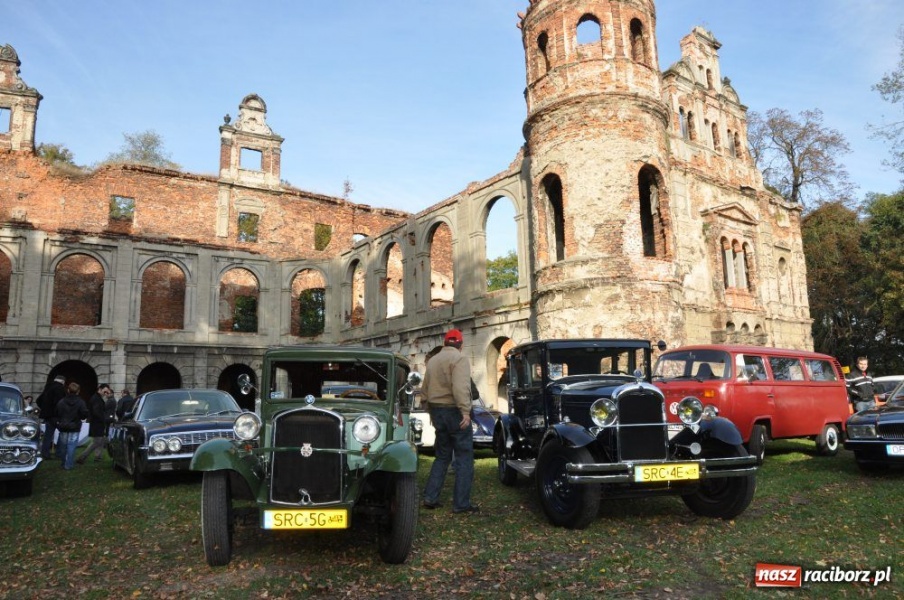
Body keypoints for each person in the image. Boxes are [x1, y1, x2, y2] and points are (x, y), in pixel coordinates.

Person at [421, 328, 479, 514]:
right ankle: (461, 504)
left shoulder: (433, 361)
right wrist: (466, 412)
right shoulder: (459, 359)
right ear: (460, 345)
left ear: (445, 343)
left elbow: (425, 390)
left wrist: (429, 411)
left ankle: (430, 497)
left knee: (442, 456)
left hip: (437, 411)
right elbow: (461, 387)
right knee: (464, 457)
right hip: (454, 411)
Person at [77, 384, 114, 464]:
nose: (106, 392)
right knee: (97, 442)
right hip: (97, 424)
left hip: (98, 423)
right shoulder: (96, 398)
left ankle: (98, 457)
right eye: (105, 390)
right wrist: (104, 419)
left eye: (107, 391)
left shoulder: (97, 398)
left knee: (100, 440)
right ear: (100, 389)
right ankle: (81, 458)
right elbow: (96, 412)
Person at [55, 382, 89, 470]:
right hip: (75, 426)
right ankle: (68, 464)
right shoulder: (81, 402)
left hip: (63, 426)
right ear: (78, 391)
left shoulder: (61, 401)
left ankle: (63, 463)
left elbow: (57, 412)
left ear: (68, 390)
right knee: (71, 446)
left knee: (63, 446)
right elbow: (84, 414)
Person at [37, 374, 67, 459]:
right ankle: (59, 453)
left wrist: (45, 409)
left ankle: (45, 453)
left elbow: (38, 400)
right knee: (63, 433)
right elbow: (59, 403)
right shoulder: (60, 388)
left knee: (48, 435)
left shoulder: (48, 387)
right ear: (63, 382)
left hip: (48, 416)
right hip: (56, 416)